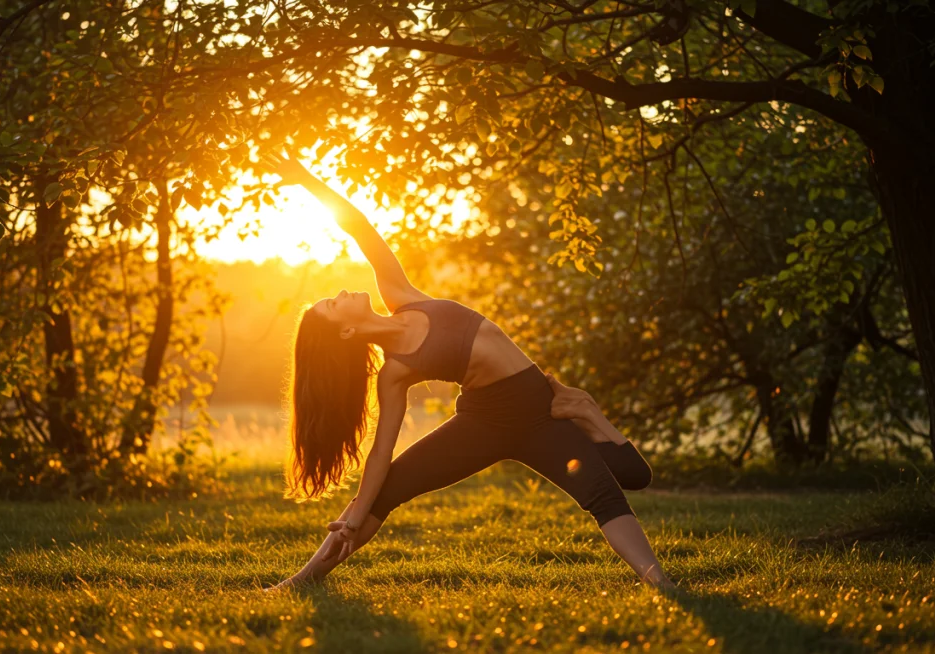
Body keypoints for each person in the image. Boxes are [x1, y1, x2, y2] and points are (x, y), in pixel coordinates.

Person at [266, 153, 675, 591]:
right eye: (333, 303)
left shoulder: (402, 294)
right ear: (346, 330)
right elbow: (381, 455)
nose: (341, 292)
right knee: (384, 493)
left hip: (541, 411)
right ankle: (303, 579)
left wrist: (307, 180)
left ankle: (664, 586)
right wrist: (357, 512)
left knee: (614, 490)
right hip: (482, 422)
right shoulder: (395, 373)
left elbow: (360, 228)